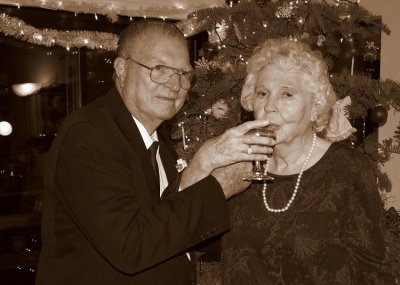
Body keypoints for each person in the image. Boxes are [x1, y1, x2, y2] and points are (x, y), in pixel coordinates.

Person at [35, 20, 275, 285]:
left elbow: (168, 223)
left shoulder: (157, 138)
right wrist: (221, 185)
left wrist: (202, 164)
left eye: (184, 74)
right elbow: (132, 246)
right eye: (160, 69)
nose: (175, 85)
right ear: (122, 69)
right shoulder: (89, 134)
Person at [221, 38, 395, 284]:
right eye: (263, 93)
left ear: (315, 107)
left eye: (287, 94)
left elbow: (373, 272)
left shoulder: (348, 169)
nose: (270, 106)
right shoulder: (236, 167)